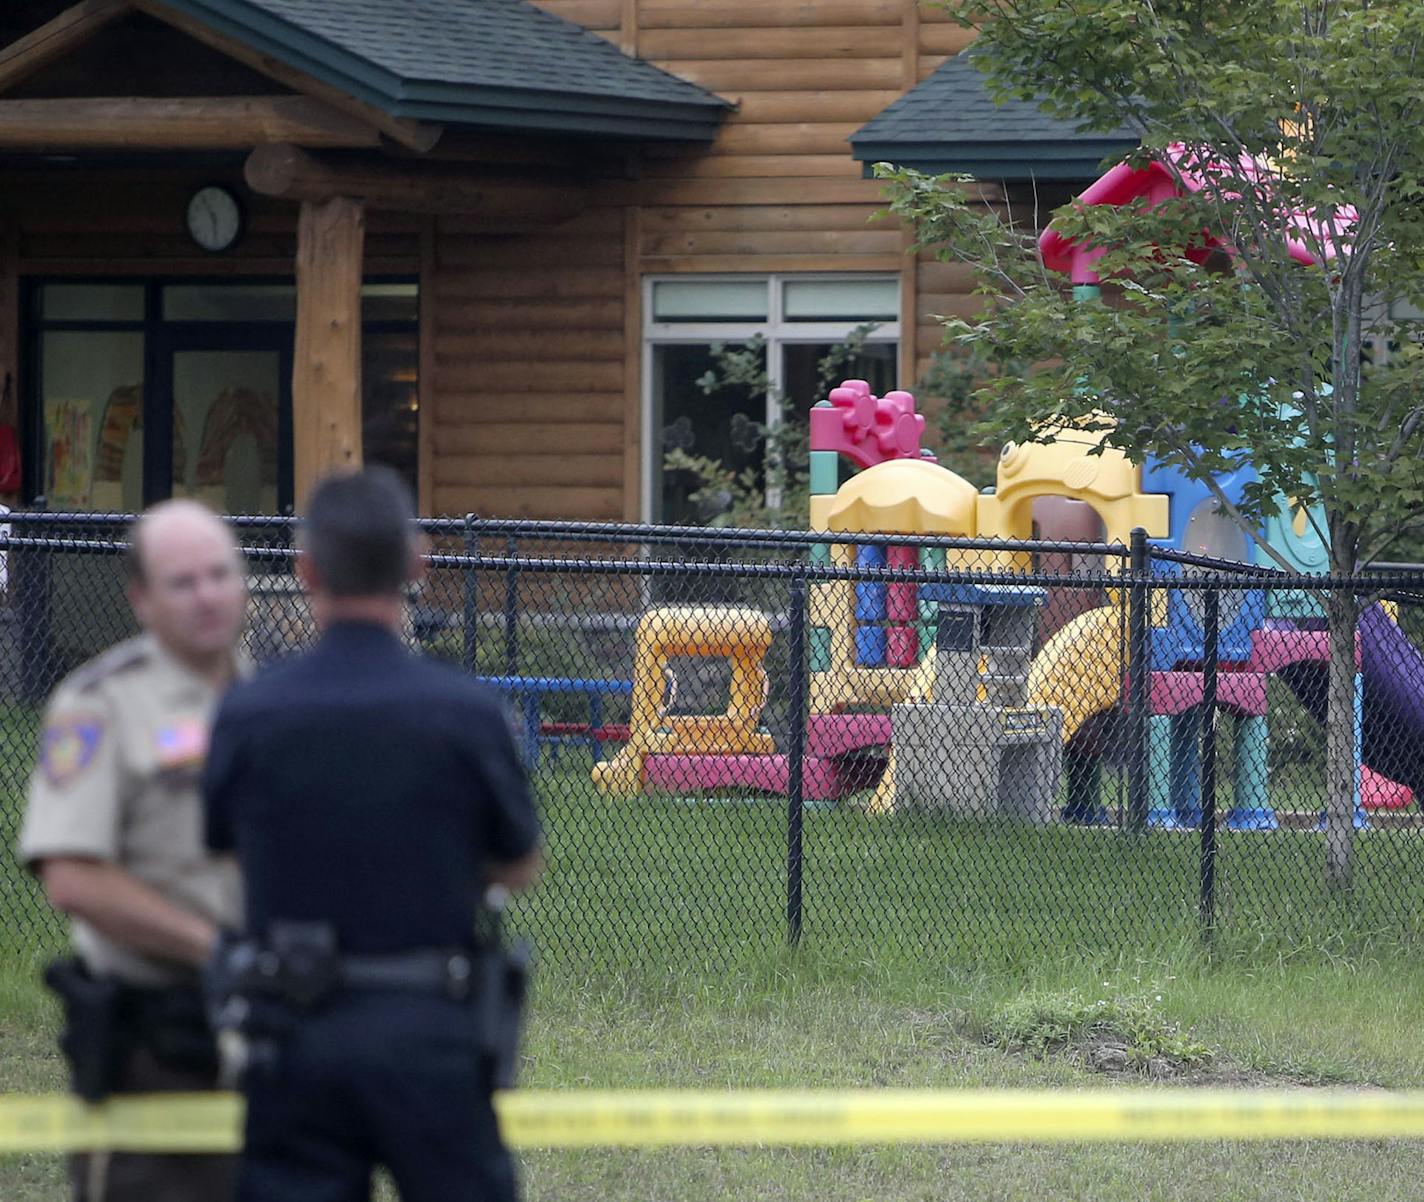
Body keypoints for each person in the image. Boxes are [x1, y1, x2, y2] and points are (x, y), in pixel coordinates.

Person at [203, 467, 542, 1202]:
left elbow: (225, 848)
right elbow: (519, 863)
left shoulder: (250, 712)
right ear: (417, 564)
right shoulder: (466, 713)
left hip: (291, 1030)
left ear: (305, 571)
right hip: (431, 1029)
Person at [20, 499, 249, 1202]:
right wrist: (213, 949)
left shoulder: (271, 700)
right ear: (141, 600)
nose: (207, 595)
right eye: (183, 583)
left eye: (220, 574)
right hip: (159, 1038)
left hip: (272, 1034)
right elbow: (72, 877)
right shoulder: (98, 706)